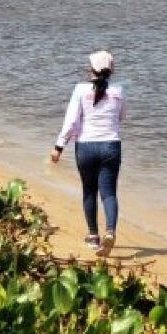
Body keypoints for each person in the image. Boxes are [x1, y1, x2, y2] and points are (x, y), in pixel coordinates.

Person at [50, 50, 125, 257]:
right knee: (109, 193)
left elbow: (72, 121)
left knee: (89, 191)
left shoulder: (80, 89)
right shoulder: (119, 90)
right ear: (111, 70)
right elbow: (122, 117)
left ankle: (93, 237)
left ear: (90, 69)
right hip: (111, 145)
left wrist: (59, 147)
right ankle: (110, 230)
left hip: (85, 147)